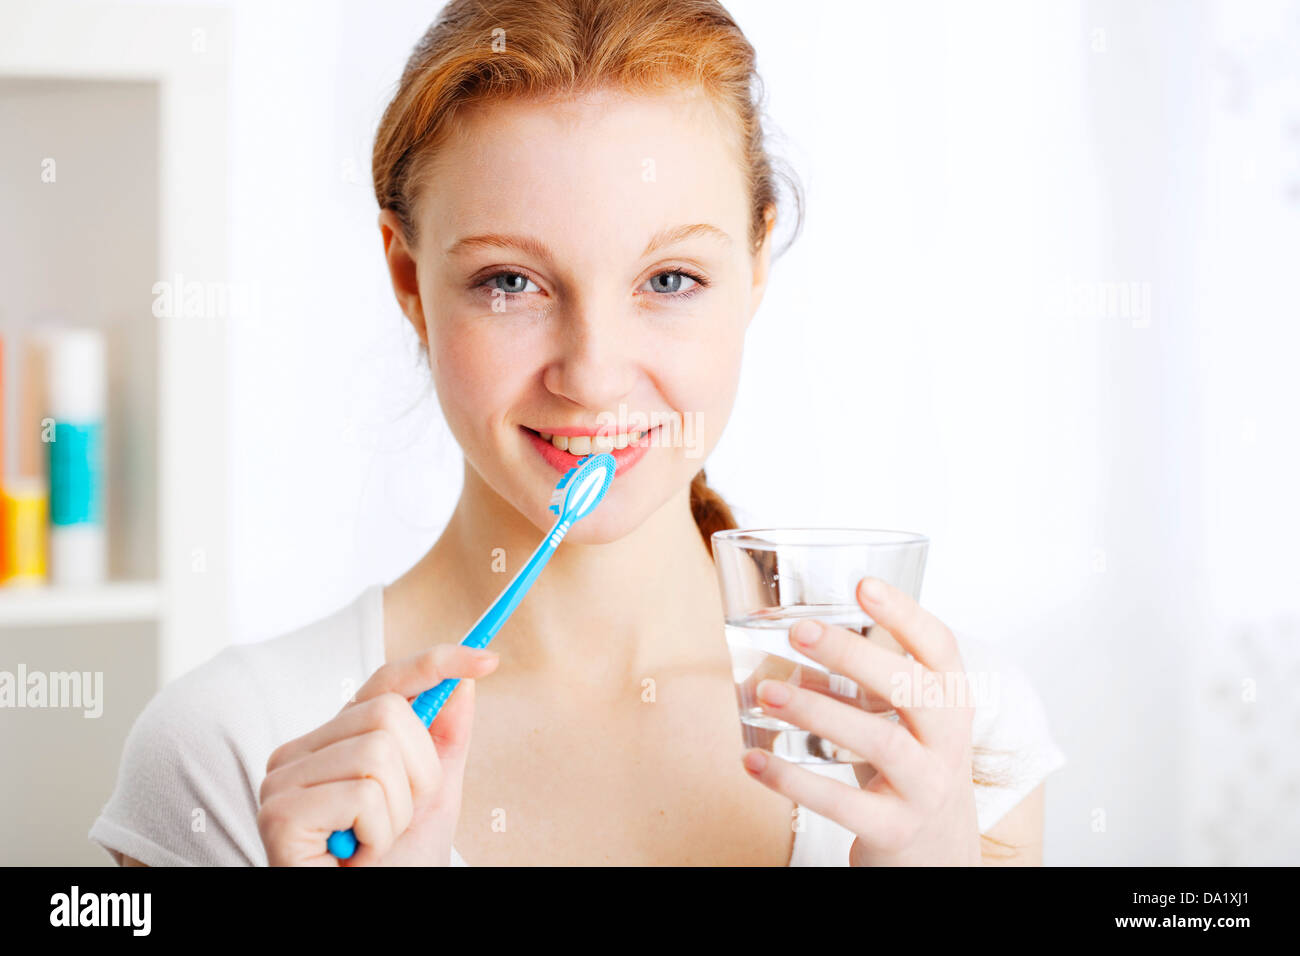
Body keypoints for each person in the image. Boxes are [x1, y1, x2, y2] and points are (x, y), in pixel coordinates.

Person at [90, 0, 1065, 867]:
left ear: (757, 263)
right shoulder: (230, 750)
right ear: (407, 279)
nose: (592, 372)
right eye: (510, 281)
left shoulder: (941, 730)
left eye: (669, 279)